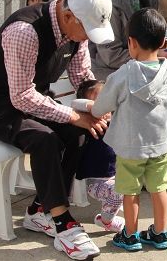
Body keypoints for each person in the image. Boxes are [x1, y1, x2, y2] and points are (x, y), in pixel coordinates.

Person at [0, 0, 114, 260]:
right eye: (86, 30)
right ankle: (62, 222)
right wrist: (73, 115)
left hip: (33, 99)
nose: (86, 38)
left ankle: (39, 210)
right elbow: (21, 97)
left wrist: (98, 99)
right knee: (46, 140)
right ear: (69, 16)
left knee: (79, 133)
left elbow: (82, 76)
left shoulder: (75, 30)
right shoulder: (25, 31)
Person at [88, 8, 167, 252]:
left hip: (130, 148)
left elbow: (101, 107)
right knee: (159, 188)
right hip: (160, 144)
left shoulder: (125, 74)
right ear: (163, 42)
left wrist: (93, 109)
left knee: (130, 192)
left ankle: (130, 234)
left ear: (131, 43)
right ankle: (159, 234)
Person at [73, 80, 125, 234]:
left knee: (130, 184)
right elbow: (75, 103)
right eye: (99, 101)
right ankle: (105, 220)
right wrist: (92, 108)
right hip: (96, 184)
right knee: (120, 190)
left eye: (106, 99)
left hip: (115, 176)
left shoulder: (115, 121)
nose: (104, 105)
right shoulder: (90, 125)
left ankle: (113, 208)